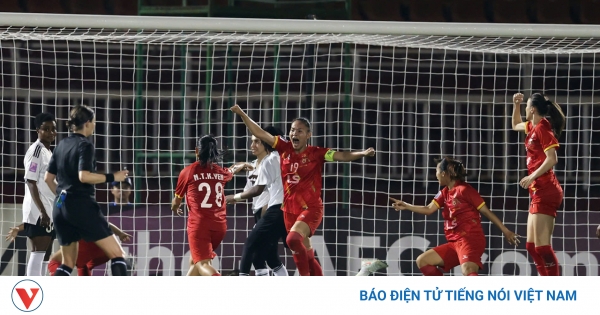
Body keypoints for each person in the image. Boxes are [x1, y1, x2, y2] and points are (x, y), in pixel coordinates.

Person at [231, 105, 375, 276]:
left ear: (308, 135)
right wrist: (242, 114)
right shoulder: (284, 148)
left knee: (291, 240)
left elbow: (342, 156)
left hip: (311, 209)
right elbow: (261, 133)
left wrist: (362, 154)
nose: (294, 134)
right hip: (289, 211)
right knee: (307, 256)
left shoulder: (317, 153)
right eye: (292, 130)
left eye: (299, 131)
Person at [389, 157, 519, 276]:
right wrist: (406, 205)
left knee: (467, 269)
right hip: (455, 243)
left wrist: (506, 231)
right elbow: (429, 209)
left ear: (444, 173)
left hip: (470, 239)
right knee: (422, 261)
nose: (436, 175)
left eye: (437, 171)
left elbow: (486, 212)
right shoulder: (444, 193)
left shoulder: (464, 190)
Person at [44, 105, 129, 276]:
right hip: (81, 205)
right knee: (118, 254)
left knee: (67, 263)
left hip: (60, 208)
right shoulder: (85, 145)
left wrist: (64, 197)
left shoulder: (61, 145)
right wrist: (113, 177)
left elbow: (48, 178)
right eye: (95, 122)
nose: (95, 125)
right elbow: (84, 176)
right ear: (88, 123)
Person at [512, 92, 565, 276]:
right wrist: (516, 105)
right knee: (531, 246)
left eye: (526, 106)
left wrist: (532, 176)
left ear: (532, 109)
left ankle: (554, 289)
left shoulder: (543, 128)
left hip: (547, 189)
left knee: (542, 247)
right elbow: (514, 124)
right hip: (537, 191)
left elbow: (552, 159)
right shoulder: (531, 127)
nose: (525, 109)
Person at [172, 134, 239, 276]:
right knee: (194, 262)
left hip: (199, 226)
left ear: (197, 150)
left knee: (202, 264)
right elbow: (232, 170)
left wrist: (174, 207)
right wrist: (244, 165)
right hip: (220, 227)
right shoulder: (221, 172)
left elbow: (176, 201)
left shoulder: (188, 172)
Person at [225, 126, 289, 276]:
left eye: (257, 141)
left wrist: (234, 197)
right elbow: (250, 191)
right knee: (267, 257)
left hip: (271, 211)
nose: (252, 145)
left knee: (253, 249)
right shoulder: (253, 166)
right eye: (252, 141)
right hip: (260, 211)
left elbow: (262, 190)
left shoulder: (274, 161)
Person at [6, 223, 131, 276]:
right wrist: (120, 233)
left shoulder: (62, 211)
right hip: (98, 253)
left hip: (84, 252)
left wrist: (19, 227)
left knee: (55, 261)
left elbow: (105, 223)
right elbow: (105, 223)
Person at [21, 112, 57, 276]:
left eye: (53, 129)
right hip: (38, 212)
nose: (51, 133)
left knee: (46, 255)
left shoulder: (48, 152)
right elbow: (30, 181)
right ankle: (32, 292)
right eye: (46, 129)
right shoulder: (36, 151)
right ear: (38, 130)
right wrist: (42, 212)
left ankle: (41, 290)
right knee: (38, 252)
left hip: (49, 210)